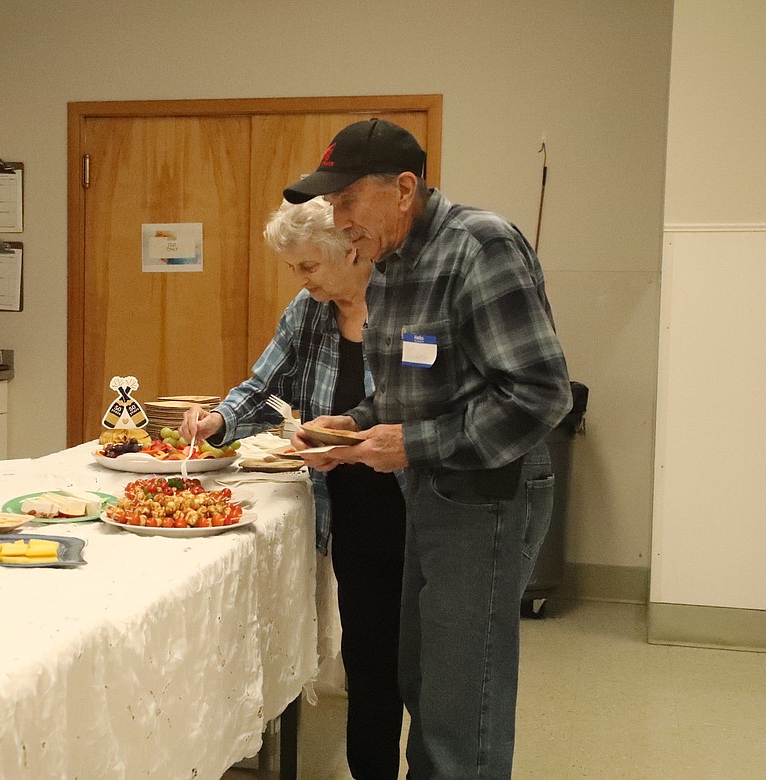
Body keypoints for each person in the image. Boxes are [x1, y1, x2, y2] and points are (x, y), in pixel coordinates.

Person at [284, 118, 572, 780]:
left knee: (458, 702)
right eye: (331, 204)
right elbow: (404, 394)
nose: (338, 218)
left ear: (404, 188)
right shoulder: (389, 271)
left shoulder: (481, 246)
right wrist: (347, 432)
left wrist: (413, 443)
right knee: (419, 676)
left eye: (347, 200)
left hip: (488, 495)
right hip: (433, 494)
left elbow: (539, 396)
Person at [181, 197, 408, 779]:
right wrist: (218, 422)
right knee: (370, 659)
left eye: (308, 266)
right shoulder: (309, 312)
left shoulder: (407, 303)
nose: (301, 281)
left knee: (428, 666)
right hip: (354, 507)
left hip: (421, 502)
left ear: (350, 251)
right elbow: (262, 386)